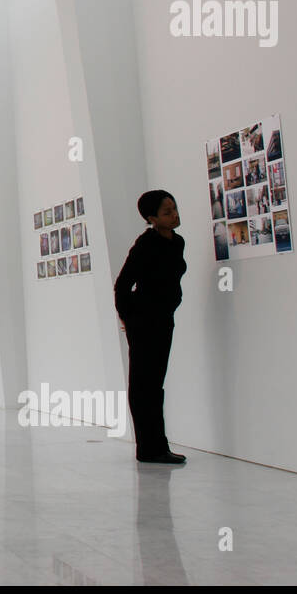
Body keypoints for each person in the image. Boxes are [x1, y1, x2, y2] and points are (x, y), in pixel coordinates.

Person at [114, 190, 188, 465]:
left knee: (155, 385)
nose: (175, 214)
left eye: (174, 208)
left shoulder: (177, 242)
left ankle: (156, 446)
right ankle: (148, 447)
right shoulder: (145, 244)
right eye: (167, 211)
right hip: (144, 321)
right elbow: (122, 284)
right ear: (151, 218)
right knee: (144, 385)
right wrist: (127, 317)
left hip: (163, 319)